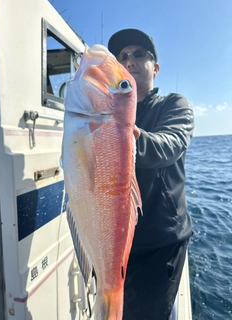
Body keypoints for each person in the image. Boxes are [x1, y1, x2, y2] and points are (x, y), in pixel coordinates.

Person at [108, 28, 195, 320]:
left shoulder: (174, 105)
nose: (129, 60)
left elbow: (170, 145)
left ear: (156, 68)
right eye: (123, 56)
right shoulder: (109, 112)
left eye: (139, 54)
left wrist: (126, 137)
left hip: (160, 241)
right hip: (118, 239)